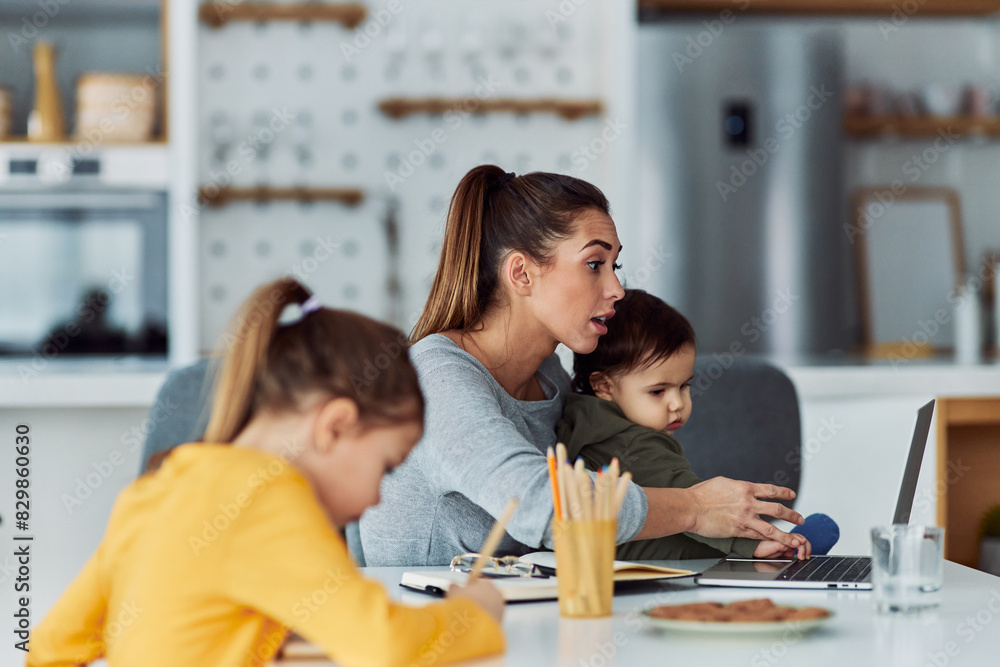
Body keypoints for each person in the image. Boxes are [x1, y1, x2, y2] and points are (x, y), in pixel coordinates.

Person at [27, 278, 505, 667]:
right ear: (334, 426)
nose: (378, 498)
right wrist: (471, 615)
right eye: (385, 466)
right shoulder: (267, 497)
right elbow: (383, 643)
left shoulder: (158, 489)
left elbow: (52, 648)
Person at [360, 165, 807, 567]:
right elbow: (543, 509)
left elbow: (608, 473)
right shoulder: (435, 380)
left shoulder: (550, 375)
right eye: (594, 264)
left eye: (615, 265)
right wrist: (695, 507)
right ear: (521, 274)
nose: (616, 288)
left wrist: (741, 543)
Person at [558, 289, 838, 561]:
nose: (677, 403)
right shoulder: (635, 442)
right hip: (631, 564)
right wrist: (753, 543)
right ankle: (775, 549)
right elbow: (691, 497)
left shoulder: (579, 419)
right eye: (658, 391)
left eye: (684, 386)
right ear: (604, 386)